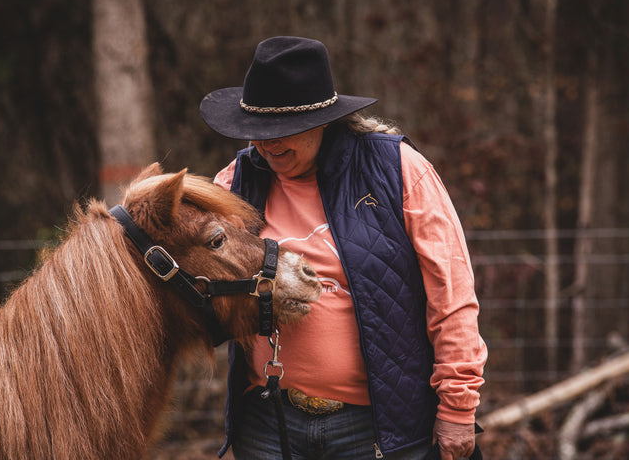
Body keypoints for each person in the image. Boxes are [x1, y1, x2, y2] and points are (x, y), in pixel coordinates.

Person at [200, 36, 487, 460]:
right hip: (267, 421)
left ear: (324, 120)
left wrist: (458, 406)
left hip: (373, 425)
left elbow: (452, 294)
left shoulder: (398, 171)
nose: (268, 145)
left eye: (283, 132)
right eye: (258, 132)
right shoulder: (236, 181)